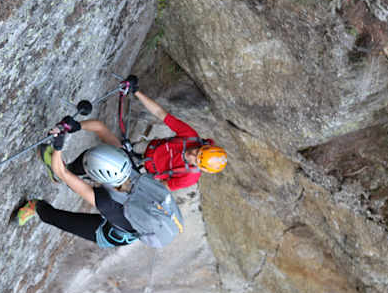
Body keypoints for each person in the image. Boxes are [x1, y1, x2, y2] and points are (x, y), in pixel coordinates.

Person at [42, 76, 228, 191]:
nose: (192, 153)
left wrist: (129, 185)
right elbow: (160, 113)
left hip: (137, 172)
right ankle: (70, 128)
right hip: (138, 155)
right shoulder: (190, 137)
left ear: (201, 168)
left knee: (96, 159)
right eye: (198, 151)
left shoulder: (189, 177)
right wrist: (136, 91)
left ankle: (60, 172)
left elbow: (161, 188)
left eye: (196, 158)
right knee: (99, 126)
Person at [13, 118, 140, 248]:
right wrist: (75, 126)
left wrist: (58, 148)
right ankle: (65, 169)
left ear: (98, 179)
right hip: (125, 206)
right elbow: (100, 127)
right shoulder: (125, 162)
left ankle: (35, 206)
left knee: (55, 218)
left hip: (113, 232)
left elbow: (63, 173)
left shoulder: (108, 204)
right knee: (76, 168)